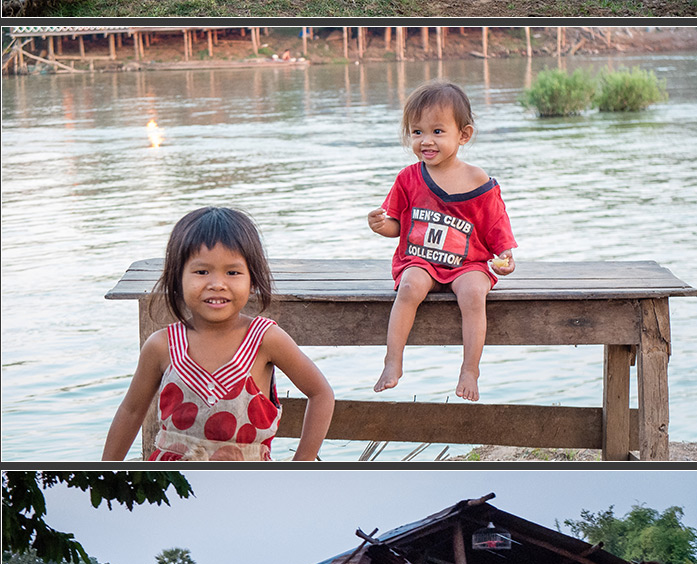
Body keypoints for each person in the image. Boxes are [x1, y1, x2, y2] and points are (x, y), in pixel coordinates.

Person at [101, 206, 334, 462]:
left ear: (252, 279)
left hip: (249, 486)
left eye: (232, 272)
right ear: (177, 279)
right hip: (172, 486)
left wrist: (303, 462)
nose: (217, 284)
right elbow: (131, 411)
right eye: (201, 272)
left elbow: (321, 393)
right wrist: (104, 475)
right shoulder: (162, 345)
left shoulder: (266, 339)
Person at [368, 82, 516, 400]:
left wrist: (504, 254)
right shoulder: (408, 178)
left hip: (467, 263)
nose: (426, 141)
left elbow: (495, 225)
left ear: (463, 135)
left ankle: (470, 370)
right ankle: (393, 360)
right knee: (409, 286)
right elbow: (398, 226)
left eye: (437, 131)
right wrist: (381, 226)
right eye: (417, 132)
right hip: (421, 259)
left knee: (475, 293)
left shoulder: (479, 181)